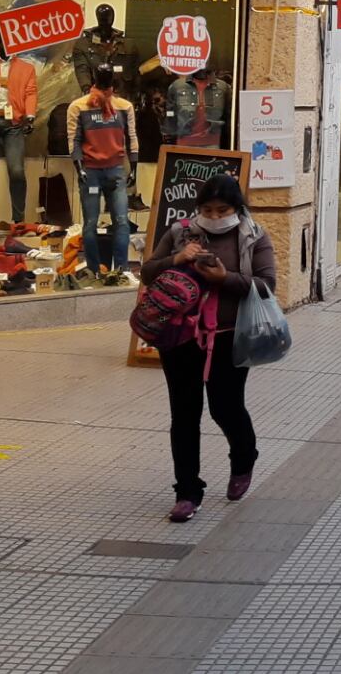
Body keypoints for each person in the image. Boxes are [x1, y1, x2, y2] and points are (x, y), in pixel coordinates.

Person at [140, 175, 275, 523]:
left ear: (237, 208)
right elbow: (147, 272)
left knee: (225, 408)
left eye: (222, 210)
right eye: (207, 210)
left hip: (230, 338)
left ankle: (243, 458)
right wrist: (177, 259)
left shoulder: (252, 236)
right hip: (180, 338)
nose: (214, 217)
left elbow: (267, 285)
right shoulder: (180, 232)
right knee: (184, 415)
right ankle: (187, 491)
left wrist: (223, 279)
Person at [66, 66, 139, 282]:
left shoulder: (124, 107)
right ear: (96, 78)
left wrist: (133, 166)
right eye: (102, 75)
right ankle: (93, 269)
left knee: (122, 221)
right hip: (91, 171)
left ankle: (123, 269)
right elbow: (74, 139)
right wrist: (78, 167)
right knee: (90, 223)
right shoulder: (78, 107)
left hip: (116, 170)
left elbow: (131, 137)